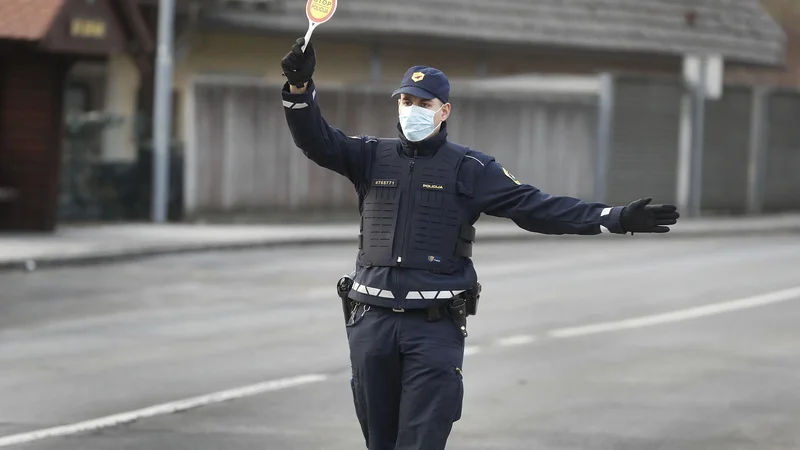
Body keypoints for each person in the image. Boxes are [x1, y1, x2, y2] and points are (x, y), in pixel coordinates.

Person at [280, 37, 679, 450]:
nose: (411, 111)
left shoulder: (471, 168)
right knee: (379, 442)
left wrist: (613, 218)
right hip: (371, 324)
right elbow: (315, 139)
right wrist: (299, 89)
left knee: (420, 442)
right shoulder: (369, 156)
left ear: (444, 110)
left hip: (432, 329)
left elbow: (535, 207)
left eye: (422, 104)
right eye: (404, 102)